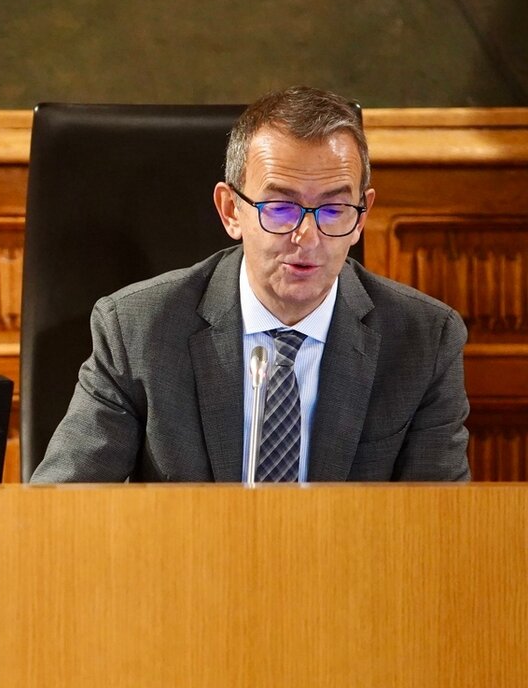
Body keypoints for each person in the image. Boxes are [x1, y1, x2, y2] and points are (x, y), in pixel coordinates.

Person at [32, 86, 470, 483]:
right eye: (280, 208)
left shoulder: (424, 341)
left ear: (362, 216)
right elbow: (60, 511)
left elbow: (436, 529)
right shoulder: (136, 330)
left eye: (335, 210)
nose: (307, 238)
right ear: (230, 211)